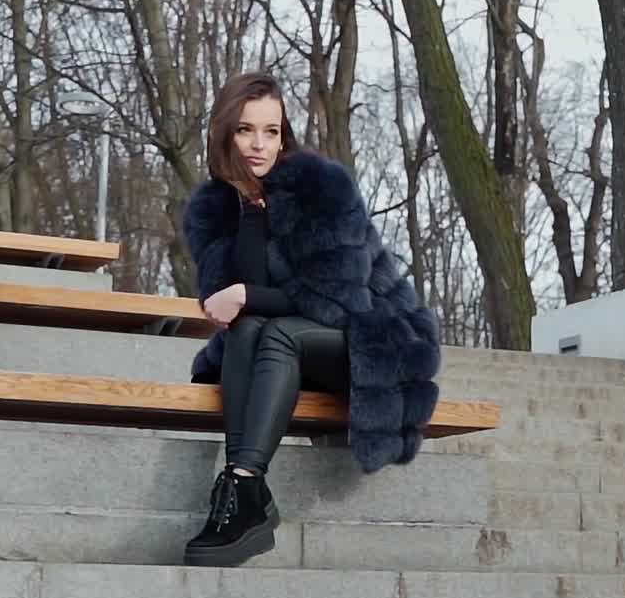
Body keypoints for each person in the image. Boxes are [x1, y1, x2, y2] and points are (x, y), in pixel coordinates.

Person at [179, 72, 440, 567]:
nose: (259, 144)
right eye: (245, 130)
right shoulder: (216, 210)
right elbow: (229, 308)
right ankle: (244, 496)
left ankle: (243, 488)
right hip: (293, 338)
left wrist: (244, 292)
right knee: (252, 328)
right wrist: (250, 211)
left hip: (375, 337)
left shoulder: (320, 188)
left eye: (271, 131)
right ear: (224, 133)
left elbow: (334, 302)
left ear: (285, 134)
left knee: (271, 330)